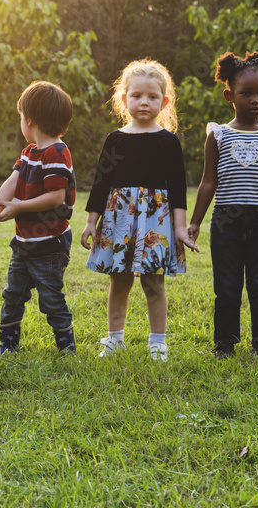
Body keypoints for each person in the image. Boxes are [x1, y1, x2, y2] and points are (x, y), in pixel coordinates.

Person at [81, 60, 198, 362]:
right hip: (119, 217)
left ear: (164, 101)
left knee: (153, 281)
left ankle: (157, 343)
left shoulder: (168, 142)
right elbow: (100, 183)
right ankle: (114, 340)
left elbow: (178, 188)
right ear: (124, 99)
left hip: (156, 219)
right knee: (119, 279)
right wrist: (91, 222)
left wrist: (181, 227)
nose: (144, 102)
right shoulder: (115, 139)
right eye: (136, 96)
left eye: (152, 96)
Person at [187, 51, 258, 358]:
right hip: (225, 223)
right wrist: (195, 222)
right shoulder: (218, 135)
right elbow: (208, 182)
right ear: (229, 95)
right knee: (227, 287)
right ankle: (225, 345)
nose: (254, 99)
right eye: (246, 93)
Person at [0, 81, 78, 356]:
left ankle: (67, 349)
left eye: (20, 117)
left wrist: (20, 207)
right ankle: (8, 346)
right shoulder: (30, 152)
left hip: (49, 245)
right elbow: (12, 181)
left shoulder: (57, 153)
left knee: (51, 299)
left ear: (29, 120)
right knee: (13, 295)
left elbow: (56, 197)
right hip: (24, 244)